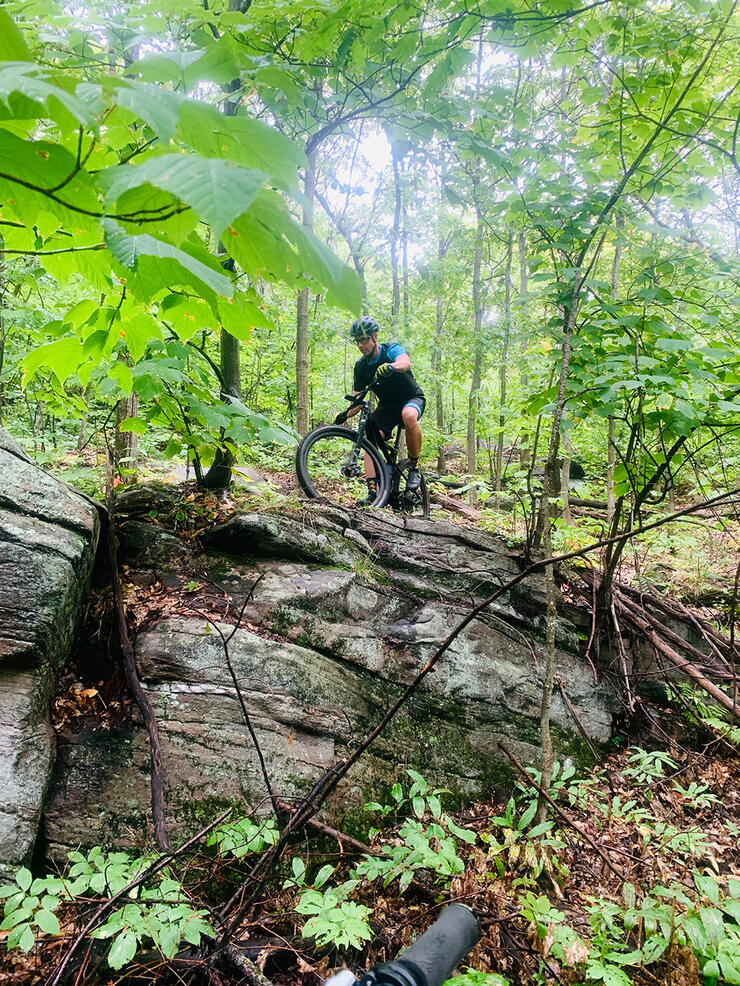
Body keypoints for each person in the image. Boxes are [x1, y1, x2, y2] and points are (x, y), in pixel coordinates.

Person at [340, 314, 425, 505]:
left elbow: (405, 362)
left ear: (375, 337)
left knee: (408, 415)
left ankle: (413, 467)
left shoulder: (391, 350)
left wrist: (392, 367)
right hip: (387, 406)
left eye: (364, 340)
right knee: (370, 438)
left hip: (411, 398)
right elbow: (357, 399)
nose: (361, 345)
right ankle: (373, 492)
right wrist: (344, 414)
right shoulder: (361, 367)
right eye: (357, 341)